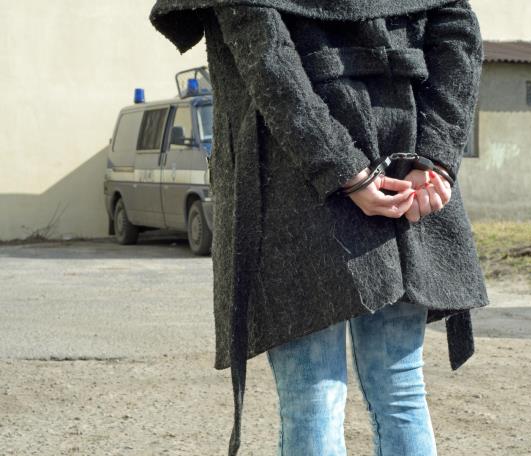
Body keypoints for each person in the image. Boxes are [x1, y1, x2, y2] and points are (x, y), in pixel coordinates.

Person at [149, 1, 490, 454]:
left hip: (294, 179)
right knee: (397, 390)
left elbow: (268, 57)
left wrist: (405, 161)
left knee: (315, 399)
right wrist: (434, 155)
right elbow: (456, 32)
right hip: (399, 165)